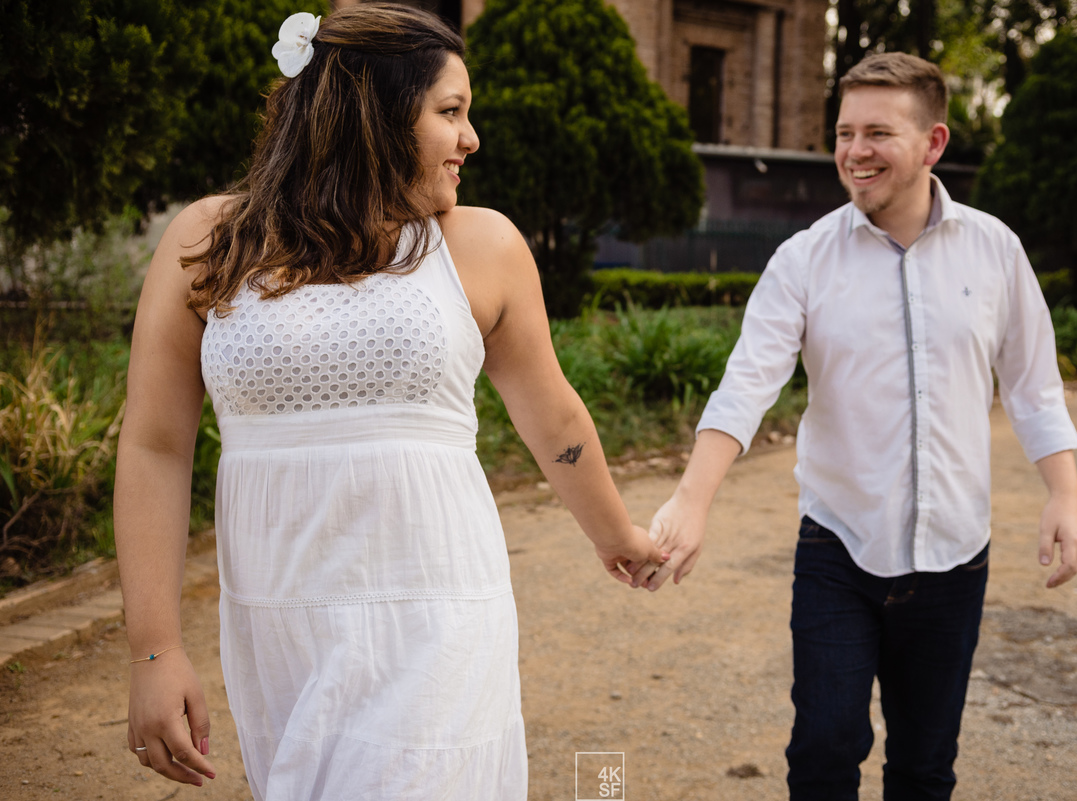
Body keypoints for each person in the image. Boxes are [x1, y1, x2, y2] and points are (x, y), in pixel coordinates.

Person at [113, 7, 665, 799]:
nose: (472, 138)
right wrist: (155, 651)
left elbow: (556, 418)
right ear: (371, 114)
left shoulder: (482, 246)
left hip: (436, 617)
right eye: (451, 111)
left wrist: (620, 536)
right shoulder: (211, 240)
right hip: (279, 626)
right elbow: (155, 445)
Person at [631, 52, 1077, 800]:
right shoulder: (803, 259)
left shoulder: (996, 250)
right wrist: (692, 497)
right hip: (837, 550)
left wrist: (1063, 495)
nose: (855, 152)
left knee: (924, 767)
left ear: (934, 143)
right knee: (822, 751)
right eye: (845, 132)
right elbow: (747, 384)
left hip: (955, 559)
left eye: (878, 132)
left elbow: (1034, 385)